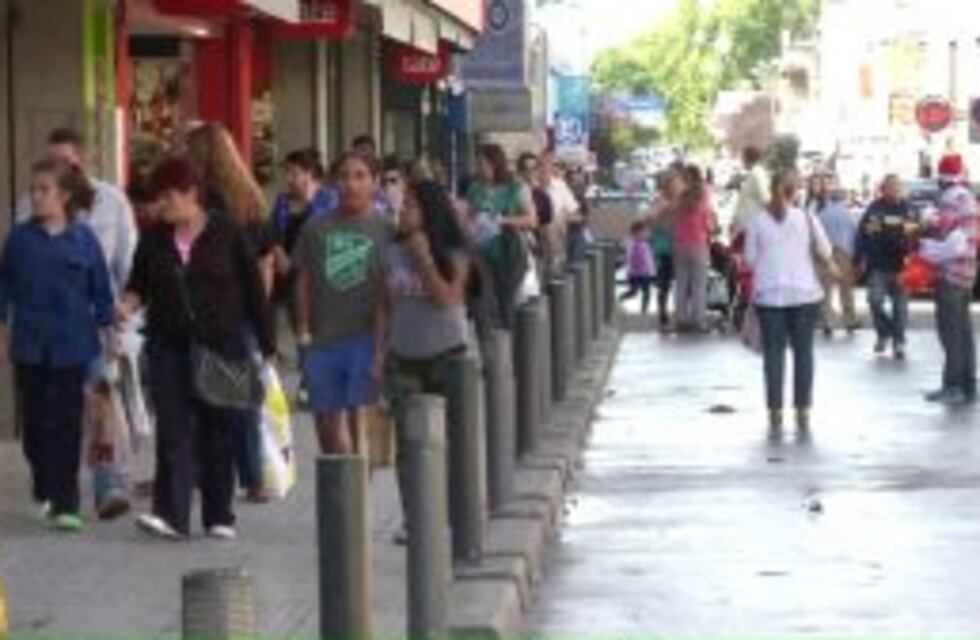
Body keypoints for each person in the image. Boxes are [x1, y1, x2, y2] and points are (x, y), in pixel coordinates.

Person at [120, 158, 274, 540]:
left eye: (168, 196)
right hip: (168, 344)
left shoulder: (227, 232)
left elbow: (254, 291)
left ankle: (219, 514)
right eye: (158, 198)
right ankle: (171, 515)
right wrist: (125, 306)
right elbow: (138, 284)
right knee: (172, 429)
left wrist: (267, 340)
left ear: (191, 195)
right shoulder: (154, 238)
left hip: (222, 345)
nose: (161, 205)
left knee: (217, 429)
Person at [0, 158, 114, 532]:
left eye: (44, 190)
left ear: (64, 196)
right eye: (32, 190)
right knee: (34, 428)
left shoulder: (84, 240)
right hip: (30, 347)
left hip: (73, 346)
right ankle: (46, 487)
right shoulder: (18, 240)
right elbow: (3, 291)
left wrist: (110, 335)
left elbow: (102, 295)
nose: (35, 197)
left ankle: (67, 503)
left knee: (65, 424)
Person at [185, 122, 274, 503]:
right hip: (241, 310)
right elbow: (267, 260)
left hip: (209, 309)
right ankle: (252, 475)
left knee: (203, 395)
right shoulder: (251, 197)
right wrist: (261, 314)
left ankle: (203, 471)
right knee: (240, 398)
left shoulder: (205, 202)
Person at [381, 179, 472, 540]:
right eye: (402, 206)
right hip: (403, 356)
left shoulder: (454, 251)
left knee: (447, 440)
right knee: (408, 443)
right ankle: (414, 517)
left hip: (447, 354)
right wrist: (379, 353)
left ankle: (450, 511)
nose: (402, 213)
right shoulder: (389, 251)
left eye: (411, 207)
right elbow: (382, 306)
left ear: (430, 212)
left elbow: (446, 297)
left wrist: (423, 257)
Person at [294, 152, 392, 455]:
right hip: (323, 340)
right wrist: (303, 330)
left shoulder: (387, 228)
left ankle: (358, 494)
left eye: (360, 176)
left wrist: (384, 347)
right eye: (345, 176)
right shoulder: (316, 227)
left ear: (374, 183)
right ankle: (342, 492)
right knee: (326, 432)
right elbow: (303, 280)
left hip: (366, 338)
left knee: (360, 428)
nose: (351, 184)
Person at [745, 167, 832, 432]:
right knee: (804, 352)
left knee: (773, 354)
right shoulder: (806, 218)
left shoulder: (757, 220)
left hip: (769, 294)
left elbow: (749, 259)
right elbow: (826, 250)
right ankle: (803, 409)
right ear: (795, 192)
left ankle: (775, 411)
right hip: (805, 292)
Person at [17, 128, 138, 293]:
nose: (59, 169)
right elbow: (20, 256)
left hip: (98, 301)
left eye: (65, 161)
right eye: (52, 162)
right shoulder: (30, 202)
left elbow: (126, 257)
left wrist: (126, 302)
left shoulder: (112, 200)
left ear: (81, 161)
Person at [920, 154, 979, 405]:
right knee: (964, 332)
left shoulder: (950, 199)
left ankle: (953, 386)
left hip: (950, 274)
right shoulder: (969, 198)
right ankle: (968, 385)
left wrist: (927, 245)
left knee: (950, 332)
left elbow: (949, 238)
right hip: (967, 274)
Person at [465, 144, 537, 327]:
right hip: (480, 256)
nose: (479, 168)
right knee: (483, 308)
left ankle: (509, 344)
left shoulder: (515, 187)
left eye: (482, 163)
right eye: (477, 164)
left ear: (495, 163)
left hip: (508, 256)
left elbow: (531, 220)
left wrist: (503, 220)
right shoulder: (474, 189)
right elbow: (468, 218)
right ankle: (492, 344)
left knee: (506, 305)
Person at [269, 149, 335, 340]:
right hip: (284, 275)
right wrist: (278, 251)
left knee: (315, 332)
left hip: (315, 277)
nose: (288, 179)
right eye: (286, 173)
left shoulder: (328, 199)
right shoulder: (282, 201)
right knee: (296, 331)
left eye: (293, 173)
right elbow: (271, 232)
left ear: (309, 173)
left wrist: (309, 200)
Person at [854, 174, 912, 358]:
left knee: (900, 308)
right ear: (883, 189)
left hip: (902, 267)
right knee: (874, 301)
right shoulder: (874, 209)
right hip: (878, 266)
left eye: (897, 187)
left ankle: (899, 341)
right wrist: (859, 258)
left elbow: (915, 235)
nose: (894, 190)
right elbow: (865, 234)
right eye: (890, 187)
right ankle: (884, 332)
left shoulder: (908, 209)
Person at [668, 164, 713, 332]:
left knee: (681, 283)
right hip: (698, 243)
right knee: (698, 285)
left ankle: (680, 319)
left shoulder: (679, 198)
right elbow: (709, 223)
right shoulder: (702, 198)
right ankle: (698, 321)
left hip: (680, 244)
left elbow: (671, 219)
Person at [816, 180, 860, 337]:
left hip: (825, 253)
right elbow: (855, 236)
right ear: (842, 198)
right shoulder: (849, 215)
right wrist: (856, 257)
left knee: (826, 289)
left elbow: (816, 236)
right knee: (846, 288)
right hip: (844, 252)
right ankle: (850, 320)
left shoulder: (821, 215)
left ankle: (827, 321)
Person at [648, 169, 677, 328]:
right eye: (671, 184)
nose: (674, 187)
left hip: (677, 246)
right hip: (663, 248)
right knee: (664, 282)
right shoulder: (659, 201)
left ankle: (678, 311)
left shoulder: (678, 200)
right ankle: (663, 312)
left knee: (676, 281)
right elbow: (652, 221)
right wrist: (665, 215)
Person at [731, 146, 769, 239]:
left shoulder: (757, 174)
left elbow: (765, 199)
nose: (741, 161)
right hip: (746, 225)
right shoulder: (753, 174)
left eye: (742, 158)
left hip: (750, 226)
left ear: (748, 158)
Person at [619, 220, 656, 314]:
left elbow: (649, 259)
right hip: (633, 273)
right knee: (633, 292)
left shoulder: (646, 245)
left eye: (647, 233)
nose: (646, 235)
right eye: (643, 232)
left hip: (645, 273)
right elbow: (625, 251)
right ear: (635, 233)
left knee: (646, 293)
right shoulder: (630, 243)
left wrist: (652, 271)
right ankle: (620, 299)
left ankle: (644, 310)